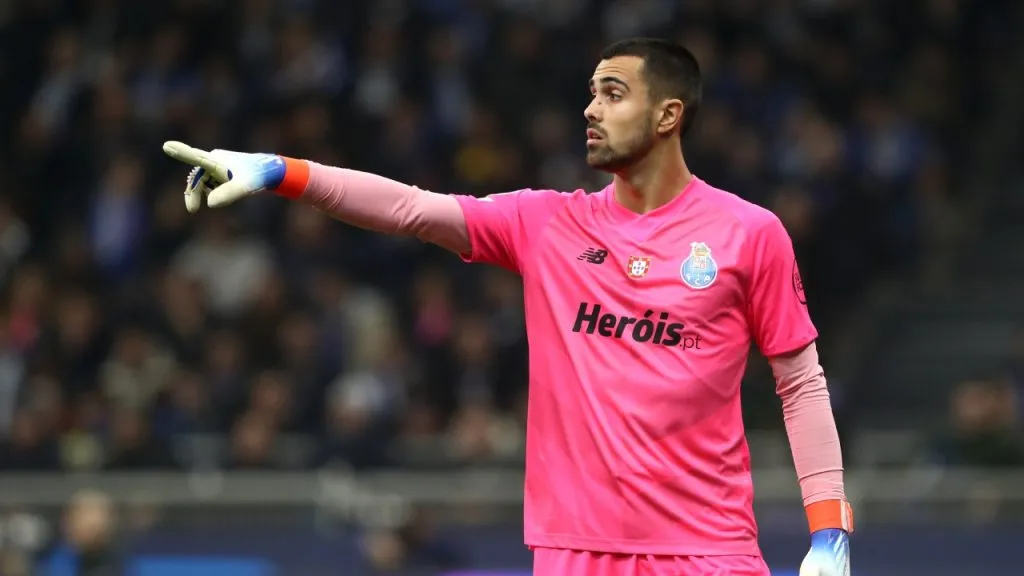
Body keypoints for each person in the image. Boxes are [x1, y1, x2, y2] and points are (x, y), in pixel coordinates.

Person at [164, 38, 851, 576]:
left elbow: (801, 384)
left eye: (613, 94)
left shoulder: (748, 234)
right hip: (574, 551)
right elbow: (410, 208)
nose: (590, 109)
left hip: (710, 548)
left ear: (669, 114)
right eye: (590, 94)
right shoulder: (546, 223)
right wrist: (283, 172)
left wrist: (829, 531)